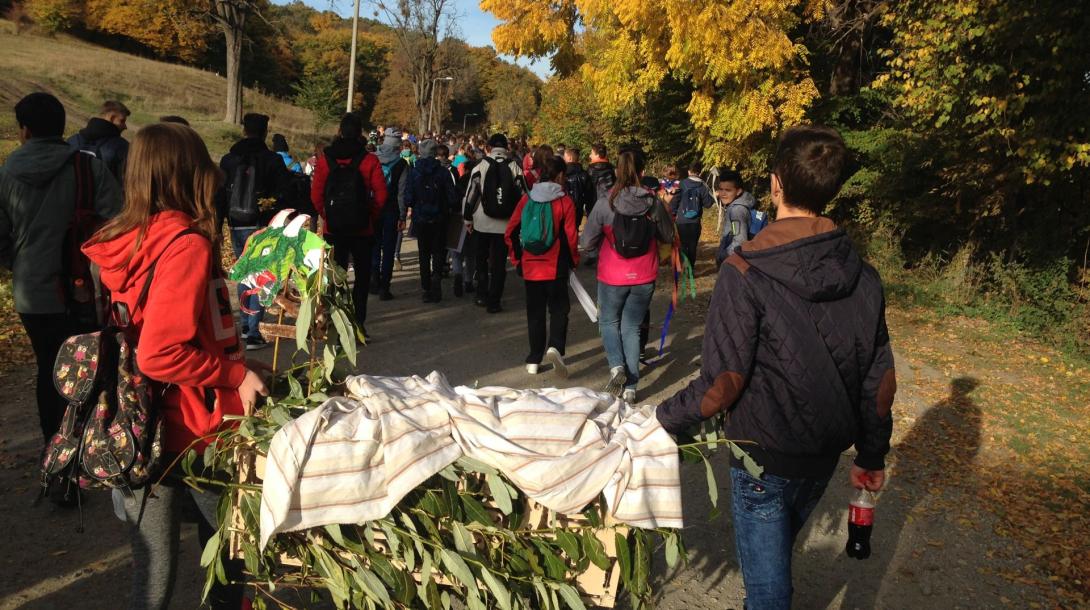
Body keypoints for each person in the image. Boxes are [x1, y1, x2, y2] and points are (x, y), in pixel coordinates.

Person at [655, 126, 895, 610]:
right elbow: (880, 382)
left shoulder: (745, 270)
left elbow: (721, 384)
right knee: (773, 566)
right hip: (824, 453)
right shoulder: (863, 275)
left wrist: (658, 420)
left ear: (776, 184)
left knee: (768, 592)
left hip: (761, 454)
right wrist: (870, 456)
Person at [83, 122, 269, 610]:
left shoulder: (121, 240)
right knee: (229, 547)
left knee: (154, 565)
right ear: (187, 174)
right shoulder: (186, 245)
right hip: (192, 425)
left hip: (137, 424)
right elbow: (160, 351)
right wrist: (236, 374)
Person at [0, 92, 122, 447]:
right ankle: (91, 441)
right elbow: (117, 223)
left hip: (32, 293)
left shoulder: (6, 173)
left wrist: (20, 264)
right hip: (85, 289)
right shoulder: (88, 167)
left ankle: (55, 447)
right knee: (90, 364)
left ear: (23, 130)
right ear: (62, 126)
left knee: (47, 367)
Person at [579, 150, 674, 402]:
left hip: (612, 275)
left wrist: (600, 243)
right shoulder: (653, 202)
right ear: (642, 172)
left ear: (617, 172)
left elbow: (587, 242)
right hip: (644, 275)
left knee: (609, 322)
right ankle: (631, 388)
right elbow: (667, 236)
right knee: (631, 327)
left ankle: (616, 366)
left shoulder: (605, 203)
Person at [217, 112, 291, 351]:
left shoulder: (229, 160)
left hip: (236, 222)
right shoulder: (273, 160)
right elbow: (284, 193)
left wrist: (219, 224)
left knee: (244, 272)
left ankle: (246, 326)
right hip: (263, 223)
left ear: (244, 130)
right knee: (261, 273)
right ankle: (254, 330)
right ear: (265, 132)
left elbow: (219, 195)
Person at [311, 114, 388, 340]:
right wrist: (369, 215)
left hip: (333, 230)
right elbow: (382, 195)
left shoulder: (325, 159)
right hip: (362, 229)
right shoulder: (369, 160)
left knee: (335, 278)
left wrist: (327, 215)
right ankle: (358, 325)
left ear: (340, 131)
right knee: (362, 279)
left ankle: (335, 322)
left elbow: (316, 194)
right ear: (360, 132)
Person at [505, 156, 579, 376]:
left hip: (530, 266)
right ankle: (555, 346)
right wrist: (573, 260)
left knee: (535, 313)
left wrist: (517, 259)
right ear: (559, 176)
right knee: (559, 309)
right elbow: (571, 236)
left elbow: (510, 231)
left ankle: (533, 360)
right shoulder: (564, 201)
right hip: (555, 264)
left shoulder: (527, 199)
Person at [462, 133, 527, 314]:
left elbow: (471, 195)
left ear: (489, 147)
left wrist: (467, 218)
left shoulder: (480, 166)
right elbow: (524, 195)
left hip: (482, 223)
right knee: (499, 264)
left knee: (481, 260)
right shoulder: (514, 167)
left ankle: (482, 293)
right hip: (505, 224)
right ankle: (494, 301)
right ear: (506, 148)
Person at [404, 139, 457, 302]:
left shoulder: (414, 172)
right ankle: (436, 279)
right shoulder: (443, 172)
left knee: (424, 253)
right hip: (439, 218)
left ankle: (426, 288)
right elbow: (452, 197)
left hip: (420, 217)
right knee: (439, 252)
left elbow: (408, 198)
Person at [372, 129, 409, 301]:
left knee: (373, 246)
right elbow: (402, 193)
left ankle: (373, 281)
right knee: (388, 249)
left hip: (373, 208)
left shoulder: (372, 159)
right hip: (391, 210)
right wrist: (402, 216)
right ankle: (384, 288)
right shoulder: (401, 164)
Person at [68, 100, 130, 183]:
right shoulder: (122, 147)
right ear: (111, 118)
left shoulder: (71, 141)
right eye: (122, 121)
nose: (125, 127)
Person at [669, 160, 715, 267]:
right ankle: (691, 268)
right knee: (693, 245)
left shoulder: (682, 184)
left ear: (689, 171)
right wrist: (713, 196)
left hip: (681, 221)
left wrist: (673, 215)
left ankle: (686, 266)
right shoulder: (703, 186)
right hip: (695, 221)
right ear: (699, 172)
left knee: (684, 245)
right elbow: (708, 204)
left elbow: (674, 202)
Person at [715, 168, 759, 265]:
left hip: (733, 264)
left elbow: (739, 241)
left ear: (738, 191)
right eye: (721, 189)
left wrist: (722, 256)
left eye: (728, 190)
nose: (723, 194)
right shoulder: (737, 205)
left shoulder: (737, 210)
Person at [563, 148, 595, 228]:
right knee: (575, 229)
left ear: (569, 158)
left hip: (564, 209)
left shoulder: (562, 174)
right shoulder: (584, 174)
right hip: (579, 209)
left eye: (565, 156)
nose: (563, 158)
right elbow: (589, 196)